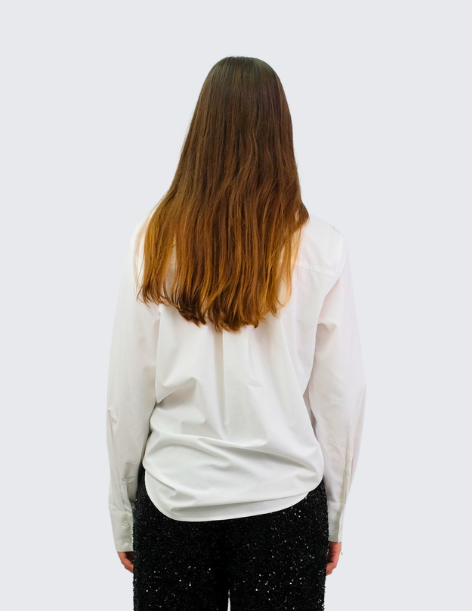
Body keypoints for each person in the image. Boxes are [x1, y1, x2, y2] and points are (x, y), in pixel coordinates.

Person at [105, 56, 366, 611]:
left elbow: (127, 390)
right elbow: (340, 397)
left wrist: (123, 511)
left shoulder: (153, 240)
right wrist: (336, 512)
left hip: (176, 500)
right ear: (280, 133)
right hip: (284, 504)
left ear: (202, 131)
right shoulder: (321, 247)